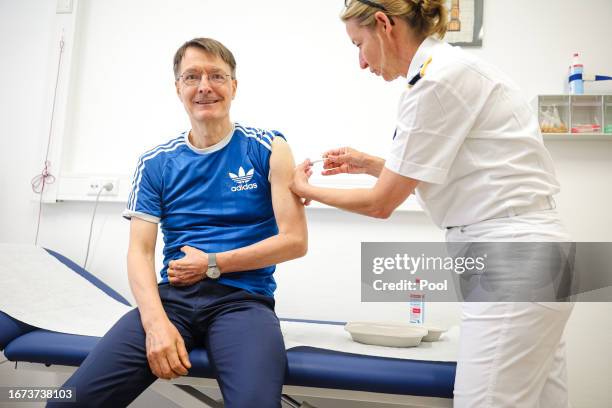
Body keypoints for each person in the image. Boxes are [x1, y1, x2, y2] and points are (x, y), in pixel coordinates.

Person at [290, 1, 573, 407]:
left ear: (385, 24)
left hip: (511, 258)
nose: (361, 63)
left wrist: (306, 189)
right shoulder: (451, 70)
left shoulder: (436, 82)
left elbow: (381, 203)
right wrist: (370, 163)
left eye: (358, 44)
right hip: (530, 250)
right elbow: (459, 167)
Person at [48, 37, 307, 408]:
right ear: (178, 88)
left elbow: (295, 241)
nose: (204, 86)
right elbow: (139, 252)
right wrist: (155, 325)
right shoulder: (156, 163)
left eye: (217, 75)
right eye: (192, 77)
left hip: (243, 302)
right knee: (65, 403)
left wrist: (212, 264)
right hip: (174, 301)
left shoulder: (268, 148)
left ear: (234, 86)